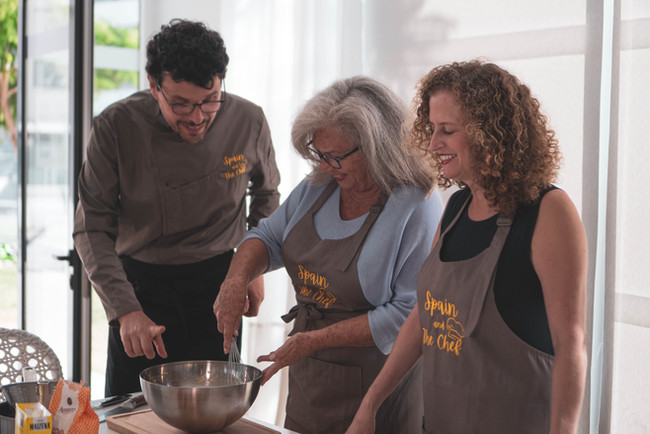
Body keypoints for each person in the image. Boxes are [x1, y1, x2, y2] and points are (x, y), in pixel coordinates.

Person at [346, 60, 588, 434]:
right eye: (431, 129)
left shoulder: (549, 212)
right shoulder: (456, 208)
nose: (432, 144)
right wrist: (371, 403)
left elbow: (570, 343)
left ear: (490, 133)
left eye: (447, 130)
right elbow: (424, 317)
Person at [214, 76, 444, 433]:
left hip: (379, 392)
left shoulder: (415, 205)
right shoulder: (317, 188)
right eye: (320, 155)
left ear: (375, 147)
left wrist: (315, 339)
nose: (323, 167)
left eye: (335, 157)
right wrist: (236, 278)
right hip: (311, 380)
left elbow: (407, 316)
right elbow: (267, 237)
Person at [73, 19, 281, 396]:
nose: (198, 117)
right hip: (142, 292)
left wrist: (251, 268)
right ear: (154, 86)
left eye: (209, 99)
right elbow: (92, 228)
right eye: (181, 103)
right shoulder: (114, 127)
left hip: (219, 285)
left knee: (215, 410)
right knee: (133, 415)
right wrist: (124, 310)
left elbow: (266, 197)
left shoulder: (248, 120)